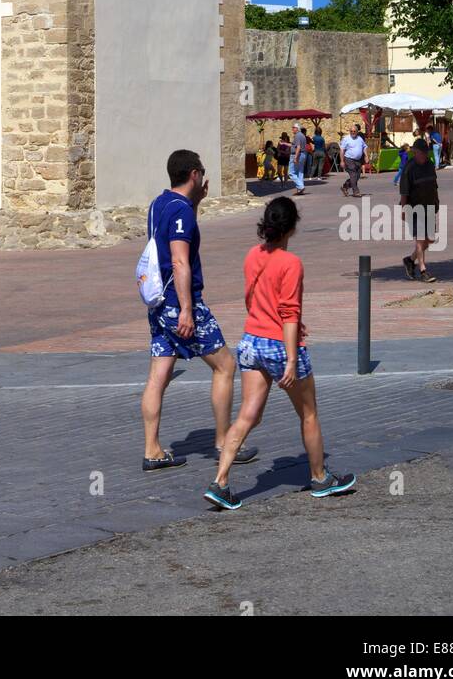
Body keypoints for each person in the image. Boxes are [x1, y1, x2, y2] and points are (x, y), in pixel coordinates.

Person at [204, 196, 356, 510]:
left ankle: (220, 482)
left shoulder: (251, 256)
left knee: (247, 415)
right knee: (309, 414)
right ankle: (319, 477)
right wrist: (289, 357)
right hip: (278, 346)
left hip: (250, 341)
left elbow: (255, 301)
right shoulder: (291, 263)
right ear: (291, 227)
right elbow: (289, 313)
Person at [141, 149, 258, 471]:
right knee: (225, 366)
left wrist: (198, 202)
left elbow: (170, 235)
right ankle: (223, 441)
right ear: (194, 173)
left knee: (158, 375)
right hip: (180, 302)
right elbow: (179, 260)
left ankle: (152, 450)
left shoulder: (159, 204)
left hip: (158, 301)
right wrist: (188, 311)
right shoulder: (182, 212)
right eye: (202, 172)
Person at [400, 138, 440, 283]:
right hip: (414, 207)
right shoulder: (409, 168)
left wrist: (436, 202)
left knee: (430, 239)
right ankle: (423, 270)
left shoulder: (429, 165)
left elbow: (434, 186)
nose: (424, 155)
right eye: (421, 152)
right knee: (420, 238)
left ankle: (410, 260)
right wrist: (404, 210)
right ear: (415, 152)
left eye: (425, 152)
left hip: (429, 206)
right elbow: (404, 192)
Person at [339, 123, 367, 197]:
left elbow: (364, 147)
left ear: (357, 132)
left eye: (354, 131)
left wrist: (366, 156)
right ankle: (356, 192)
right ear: (349, 132)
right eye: (351, 131)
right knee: (353, 175)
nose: (353, 132)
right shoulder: (346, 139)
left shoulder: (360, 139)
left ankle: (345, 187)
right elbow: (342, 150)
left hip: (358, 160)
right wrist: (342, 161)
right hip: (349, 159)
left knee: (357, 176)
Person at [289, 121, 308, 196]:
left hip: (297, 154)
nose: (292, 129)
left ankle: (301, 186)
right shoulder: (303, 136)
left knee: (291, 172)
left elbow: (298, 147)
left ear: (297, 128)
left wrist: (295, 157)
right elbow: (295, 145)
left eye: (293, 128)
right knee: (300, 172)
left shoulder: (297, 135)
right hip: (303, 154)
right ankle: (300, 189)